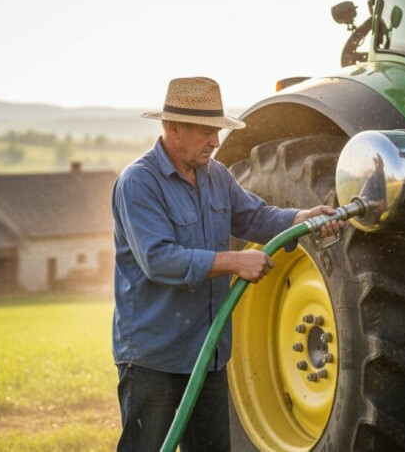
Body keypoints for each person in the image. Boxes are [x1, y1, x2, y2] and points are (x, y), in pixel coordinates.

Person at [111, 76, 344, 452]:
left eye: (217, 131)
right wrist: (236, 261)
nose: (216, 142)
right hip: (155, 358)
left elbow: (255, 217)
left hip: (208, 354)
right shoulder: (139, 183)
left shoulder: (215, 175)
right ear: (174, 128)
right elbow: (159, 260)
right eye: (207, 132)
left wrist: (301, 217)